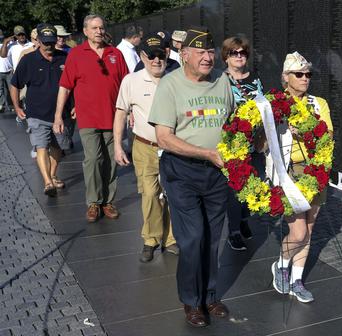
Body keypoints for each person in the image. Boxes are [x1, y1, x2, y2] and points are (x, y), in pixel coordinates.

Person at [148, 26, 235, 327]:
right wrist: (207, 153)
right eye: (201, 52)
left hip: (217, 175)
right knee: (192, 238)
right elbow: (163, 137)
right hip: (181, 172)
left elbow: (233, 122)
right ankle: (191, 301)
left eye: (211, 51)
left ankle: (209, 296)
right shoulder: (170, 85)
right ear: (184, 55)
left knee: (211, 239)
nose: (208, 57)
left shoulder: (223, 81)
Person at [270, 51, 333, 303]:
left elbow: (327, 135)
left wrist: (307, 130)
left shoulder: (319, 103)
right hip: (288, 171)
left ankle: (297, 279)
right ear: (286, 77)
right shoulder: (274, 104)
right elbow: (263, 141)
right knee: (296, 233)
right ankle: (281, 265)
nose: (305, 78)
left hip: (316, 170)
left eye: (308, 74)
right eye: (299, 74)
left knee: (308, 229)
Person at [53, 14, 129, 222]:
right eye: (94, 28)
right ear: (85, 31)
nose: (99, 31)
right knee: (94, 159)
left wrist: (131, 112)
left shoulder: (116, 54)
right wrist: (58, 115)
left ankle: (108, 201)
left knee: (112, 161)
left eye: (101, 27)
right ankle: (94, 202)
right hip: (88, 118)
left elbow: (127, 85)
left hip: (114, 117)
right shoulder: (76, 54)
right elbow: (65, 86)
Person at [114, 33, 178, 262]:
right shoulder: (131, 81)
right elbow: (121, 112)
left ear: (167, 53)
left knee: (172, 193)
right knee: (150, 194)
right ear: (143, 56)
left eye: (160, 55)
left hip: (173, 148)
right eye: (151, 56)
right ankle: (150, 239)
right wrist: (118, 146)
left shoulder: (177, 79)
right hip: (144, 146)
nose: (156, 60)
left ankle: (171, 239)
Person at [10, 23, 71, 196]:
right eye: (45, 43)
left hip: (61, 114)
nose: (49, 46)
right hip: (37, 114)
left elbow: (75, 84)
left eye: (52, 42)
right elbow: (15, 85)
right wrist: (16, 106)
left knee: (58, 147)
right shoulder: (28, 60)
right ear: (38, 41)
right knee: (41, 146)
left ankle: (52, 175)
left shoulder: (64, 58)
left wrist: (74, 105)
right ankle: (47, 182)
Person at [221, 36, 264, 251]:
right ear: (226, 57)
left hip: (255, 143)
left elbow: (263, 105)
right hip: (234, 143)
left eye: (242, 53)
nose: (239, 56)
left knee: (253, 185)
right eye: (234, 53)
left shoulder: (254, 78)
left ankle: (244, 219)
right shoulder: (222, 80)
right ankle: (234, 231)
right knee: (235, 188)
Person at [0, 29, 12, 113]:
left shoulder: (10, 44)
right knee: (0, 90)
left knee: (12, 89)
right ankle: (2, 106)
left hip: (9, 70)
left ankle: (13, 105)